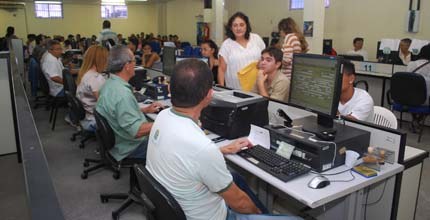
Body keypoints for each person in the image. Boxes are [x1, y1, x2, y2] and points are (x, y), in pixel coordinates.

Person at [146, 59, 302, 220]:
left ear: (170, 88)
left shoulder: (163, 116)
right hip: (210, 217)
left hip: (175, 207)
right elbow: (240, 203)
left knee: (236, 178)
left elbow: (184, 155)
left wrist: (219, 150)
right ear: (209, 95)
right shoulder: (201, 147)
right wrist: (256, 215)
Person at [95, 45, 163, 161]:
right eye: (134, 61)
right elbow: (137, 131)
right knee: (172, 142)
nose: (135, 64)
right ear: (127, 66)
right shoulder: (122, 94)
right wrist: (166, 122)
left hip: (119, 142)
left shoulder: (109, 84)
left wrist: (145, 110)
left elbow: (117, 111)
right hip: (131, 147)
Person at [218, 12, 266, 89]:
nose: (238, 28)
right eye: (235, 25)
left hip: (257, 88)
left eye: (241, 25)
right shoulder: (226, 45)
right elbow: (221, 69)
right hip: (235, 90)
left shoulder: (256, 39)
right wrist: (222, 89)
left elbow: (265, 59)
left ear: (246, 26)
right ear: (231, 27)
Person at [76, 45, 109, 131]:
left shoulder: (85, 73)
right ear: (101, 59)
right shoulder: (95, 78)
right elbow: (106, 105)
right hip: (94, 120)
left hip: (88, 114)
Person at [406, 44, 430, 132]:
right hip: (424, 99)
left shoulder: (411, 64)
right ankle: (417, 120)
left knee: (415, 99)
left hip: (406, 97)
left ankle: (415, 119)